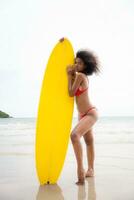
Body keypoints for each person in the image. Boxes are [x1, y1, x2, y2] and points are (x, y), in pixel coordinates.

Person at [66, 49, 100, 185]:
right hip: (82, 115)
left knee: (74, 136)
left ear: (85, 65)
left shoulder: (80, 75)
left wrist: (69, 75)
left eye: (79, 63)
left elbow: (70, 93)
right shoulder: (77, 75)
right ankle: (91, 170)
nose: (76, 64)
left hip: (91, 113)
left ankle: (81, 170)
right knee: (89, 141)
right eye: (76, 62)